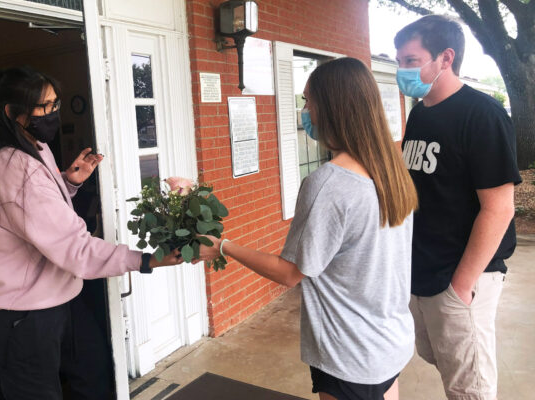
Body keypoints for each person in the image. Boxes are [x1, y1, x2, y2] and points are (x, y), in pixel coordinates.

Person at [200, 57, 418, 400]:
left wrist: (223, 246)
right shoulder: (391, 172)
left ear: (331, 107)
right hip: (390, 342)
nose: (305, 111)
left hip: (350, 352)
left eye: (308, 100)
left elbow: (291, 273)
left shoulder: (328, 183)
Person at [0, 66, 183, 400]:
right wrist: (146, 260)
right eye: (44, 107)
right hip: (20, 313)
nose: (53, 113)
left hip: (56, 295)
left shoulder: (36, 148)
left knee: (95, 373)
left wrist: (68, 182)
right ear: (13, 113)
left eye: (56, 103)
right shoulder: (13, 167)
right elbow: (74, 248)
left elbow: (39, 217)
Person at [395, 15, 522, 400]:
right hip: (423, 272)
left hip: (462, 277)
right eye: (399, 61)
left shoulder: (482, 115)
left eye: (411, 61)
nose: (402, 70)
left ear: (445, 58)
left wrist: (461, 286)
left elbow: (499, 209)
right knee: (440, 360)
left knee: (470, 388)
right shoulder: (420, 113)